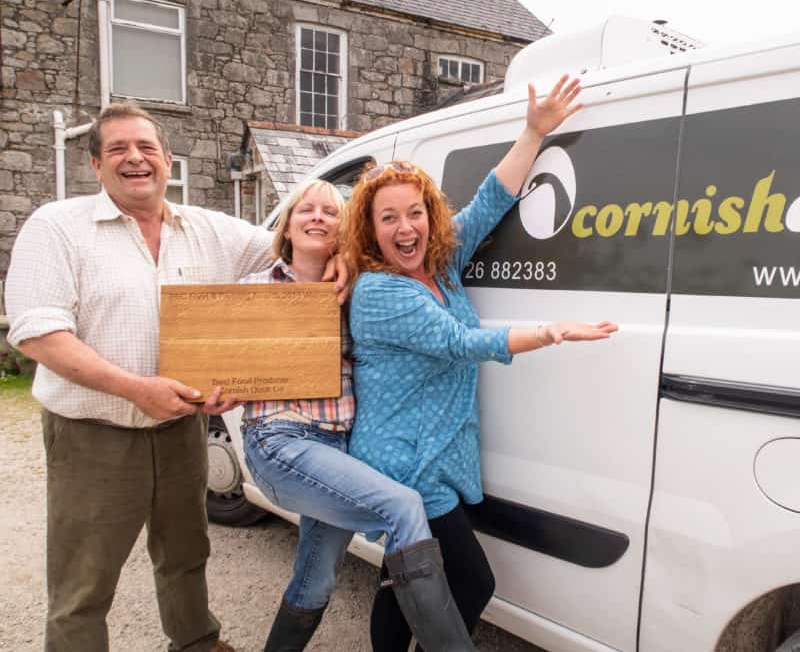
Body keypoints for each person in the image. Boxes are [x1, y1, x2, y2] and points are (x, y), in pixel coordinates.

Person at [3, 102, 339, 652]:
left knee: (186, 553)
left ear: (166, 159)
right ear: (96, 165)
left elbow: (295, 248)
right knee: (84, 580)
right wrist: (136, 390)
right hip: (94, 434)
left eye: (147, 148)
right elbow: (38, 332)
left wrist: (339, 256)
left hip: (181, 428)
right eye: (118, 149)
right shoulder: (58, 227)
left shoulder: (207, 229)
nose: (135, 159)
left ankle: (195, 643)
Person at [343, 75, 618, 650]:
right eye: (388, 218)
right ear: (370, 229)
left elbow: (492, 200)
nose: (405, 228)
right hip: (406, 468)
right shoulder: (379, 292)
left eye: (414, 213)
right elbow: (458, 342)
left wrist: (533, 131)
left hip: (433, 460)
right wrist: (550, 331)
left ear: (428, 217)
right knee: (468, 580)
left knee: (406, 582)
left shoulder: (440, 265)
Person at [239, 180, 475, 651]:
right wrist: (213, 391)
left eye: (331, 211)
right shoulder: (254, 290)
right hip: (281, 439)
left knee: (317, 580)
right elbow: (216, 364)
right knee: (403, 506)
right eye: (306, 209)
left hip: (338, 450)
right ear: (286, 225)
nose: (318, 217)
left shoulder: (353, 292)